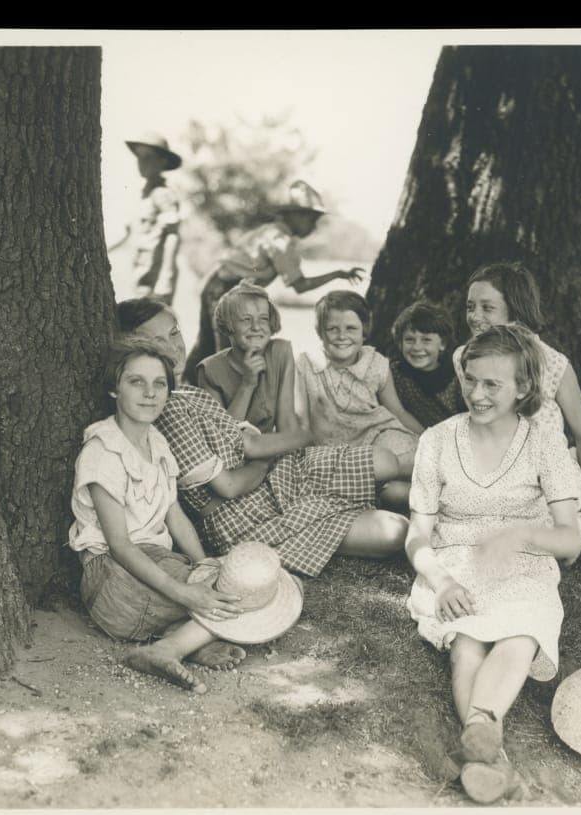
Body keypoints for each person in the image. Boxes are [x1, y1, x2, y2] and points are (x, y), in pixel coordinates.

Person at [405, 325, 581, 804]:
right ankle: (490, 751)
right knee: (467, 640)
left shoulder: (544, 443)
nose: (476, 394)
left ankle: (480, 736)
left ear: (523, 387)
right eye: (470, 380)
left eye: (492, 385)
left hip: (525, 562)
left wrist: (523, 534)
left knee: (521, 634)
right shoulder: (437, 440)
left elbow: (569, 538)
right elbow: (417, 533)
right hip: (454, 562)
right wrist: (440, 581)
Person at [116, 297, 409, 578]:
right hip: (246, 515)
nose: (174, 346)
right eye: (157, 341)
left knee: (387, 462)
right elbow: (229, 488)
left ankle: (403, 489)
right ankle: (344, 511)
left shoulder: (187, 394)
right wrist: (270, 457)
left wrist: (277, 449)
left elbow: (241, 441)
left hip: (277, 478)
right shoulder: (165, 411)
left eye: (174, 332)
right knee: (396, 532)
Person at [453, 261, 581, 580]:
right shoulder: (464, 357)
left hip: (549, 474)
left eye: (487, 308)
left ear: (515, 312)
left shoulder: (550, 362)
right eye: (470, 307)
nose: (475, 316)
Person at [68, 336, 246, 694]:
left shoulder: (158, 443)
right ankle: (171, 647)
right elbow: (120, 546)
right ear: (114, 389)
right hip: (112, 579)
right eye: (136, 382)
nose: (150, 393)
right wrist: (186, 592)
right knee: (234, 599)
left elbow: (173, 513)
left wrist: (204, 563)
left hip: (154, 568)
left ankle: (176, 638)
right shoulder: (103, 451)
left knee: (234, 586)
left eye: (159, 384)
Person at [183, 180, 365, 383]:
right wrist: (338, 274)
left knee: (208, 345)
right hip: (225, 292)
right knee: (227, 354)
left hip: (217, 287)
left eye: (316, 220)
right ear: (293, 215)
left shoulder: (269, 232)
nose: (313, 226)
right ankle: (218, 399)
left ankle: (188, 386)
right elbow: (300, 285)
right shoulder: (280, 241)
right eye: (310, 218)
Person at [295, 290, 424, 508]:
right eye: (332, 329)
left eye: (351, 329)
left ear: (364, 332)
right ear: (320, 333)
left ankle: (392, 488)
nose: (341, 336)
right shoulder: (306, 365)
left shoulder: (375, 363)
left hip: (379, 435)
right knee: (388, 484)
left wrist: (429, 439)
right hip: (335, 449)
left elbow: (397, 412)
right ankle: (384, 491)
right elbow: (301, 421)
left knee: (417, 458)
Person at [194, 280, 297, 434]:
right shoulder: (209, 370)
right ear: (228, 326)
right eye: (246, 319)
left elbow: (287, 425)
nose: (256, 327)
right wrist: (247, 384)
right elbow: (222, 438)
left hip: (271, 448)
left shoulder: (281, 352)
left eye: (263, 319)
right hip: (233, 453)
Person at [112, 132, 183, 305]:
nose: (141, 163)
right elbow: (128, 235)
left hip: (155, 277)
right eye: (139, 157)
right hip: (141, 273)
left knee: (153, 325)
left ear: (162, 161)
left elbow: (173, 235)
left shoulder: (163, 194)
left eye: (148, 157)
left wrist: (166, 276)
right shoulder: (145, 195)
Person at [388, 300, 466, 428]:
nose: (417, 347)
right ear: (400, 343)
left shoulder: (457, 376)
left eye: (426, 340)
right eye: (409, 339)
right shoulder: (395, 374)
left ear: (442, 344)